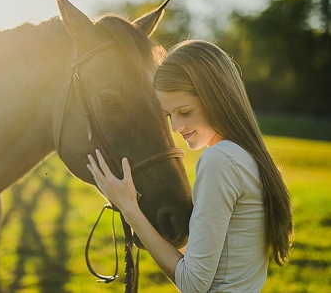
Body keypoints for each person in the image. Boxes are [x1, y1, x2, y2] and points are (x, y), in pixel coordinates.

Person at [85, 40, 293, 292]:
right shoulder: (245, 155)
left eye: (184, 112)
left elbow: (192, 284)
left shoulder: (219, 161)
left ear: (216, 97)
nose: (176, 127)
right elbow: (205, 259)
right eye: (169, 115)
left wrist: (129, 208)